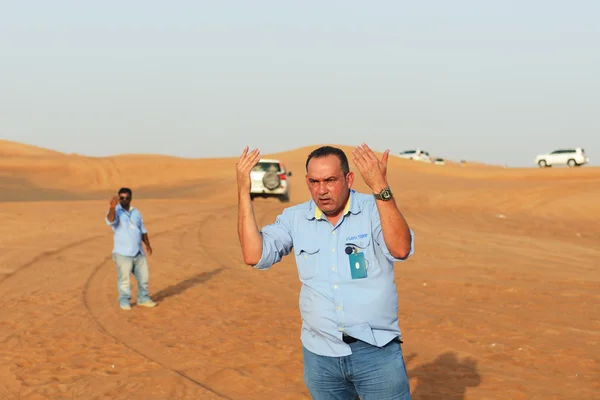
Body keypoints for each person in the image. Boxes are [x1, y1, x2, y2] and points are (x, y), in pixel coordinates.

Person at [236, 143, 414, 399]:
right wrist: (244, 190)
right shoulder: (295, 218)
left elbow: (400, 249)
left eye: (330, 180)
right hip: (321, 356)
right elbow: (254, 255)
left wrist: (380, 188)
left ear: (349, 179)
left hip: (376, 353)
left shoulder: (375, 210)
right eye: (314, 182)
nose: (322, 190)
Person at [105, 187, 157, 310]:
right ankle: (124, 301)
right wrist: (112, 206)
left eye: (127, 198)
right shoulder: (115, 212)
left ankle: (143, 299)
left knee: (144, 277)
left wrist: (147, 245)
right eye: (121, 198)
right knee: (124, 280)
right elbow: (110, 220)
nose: (124, 200)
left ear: (131, 199)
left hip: (138, 252)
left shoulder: (136, 212)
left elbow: (142, 230)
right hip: (122, 253)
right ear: (118, 198)